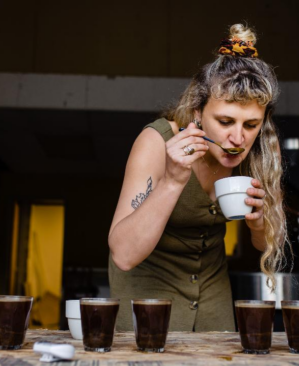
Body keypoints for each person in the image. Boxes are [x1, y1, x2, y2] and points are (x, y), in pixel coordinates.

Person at [108, 23, 289, 332]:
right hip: (148, 295)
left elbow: (265, 244)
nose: (237, 138)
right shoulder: (157, 142)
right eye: (225, 121)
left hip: (212, 293)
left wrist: (259, 225)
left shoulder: (259, 152)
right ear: (196, 113)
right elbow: (123, 255)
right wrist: (173, 181)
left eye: (251, 124)